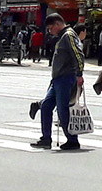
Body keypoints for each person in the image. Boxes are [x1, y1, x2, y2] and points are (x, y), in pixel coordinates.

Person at [30, 15, 86, 150]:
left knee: (63, 110)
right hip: (58, 79)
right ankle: (46, 138)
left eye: (50, 28)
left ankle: (72, 139)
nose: (50, 32)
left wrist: (79, 74)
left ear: (57, 24)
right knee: (46, 106)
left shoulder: (68, 35)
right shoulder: (62, 37)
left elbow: (78, 55)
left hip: (66, 78)